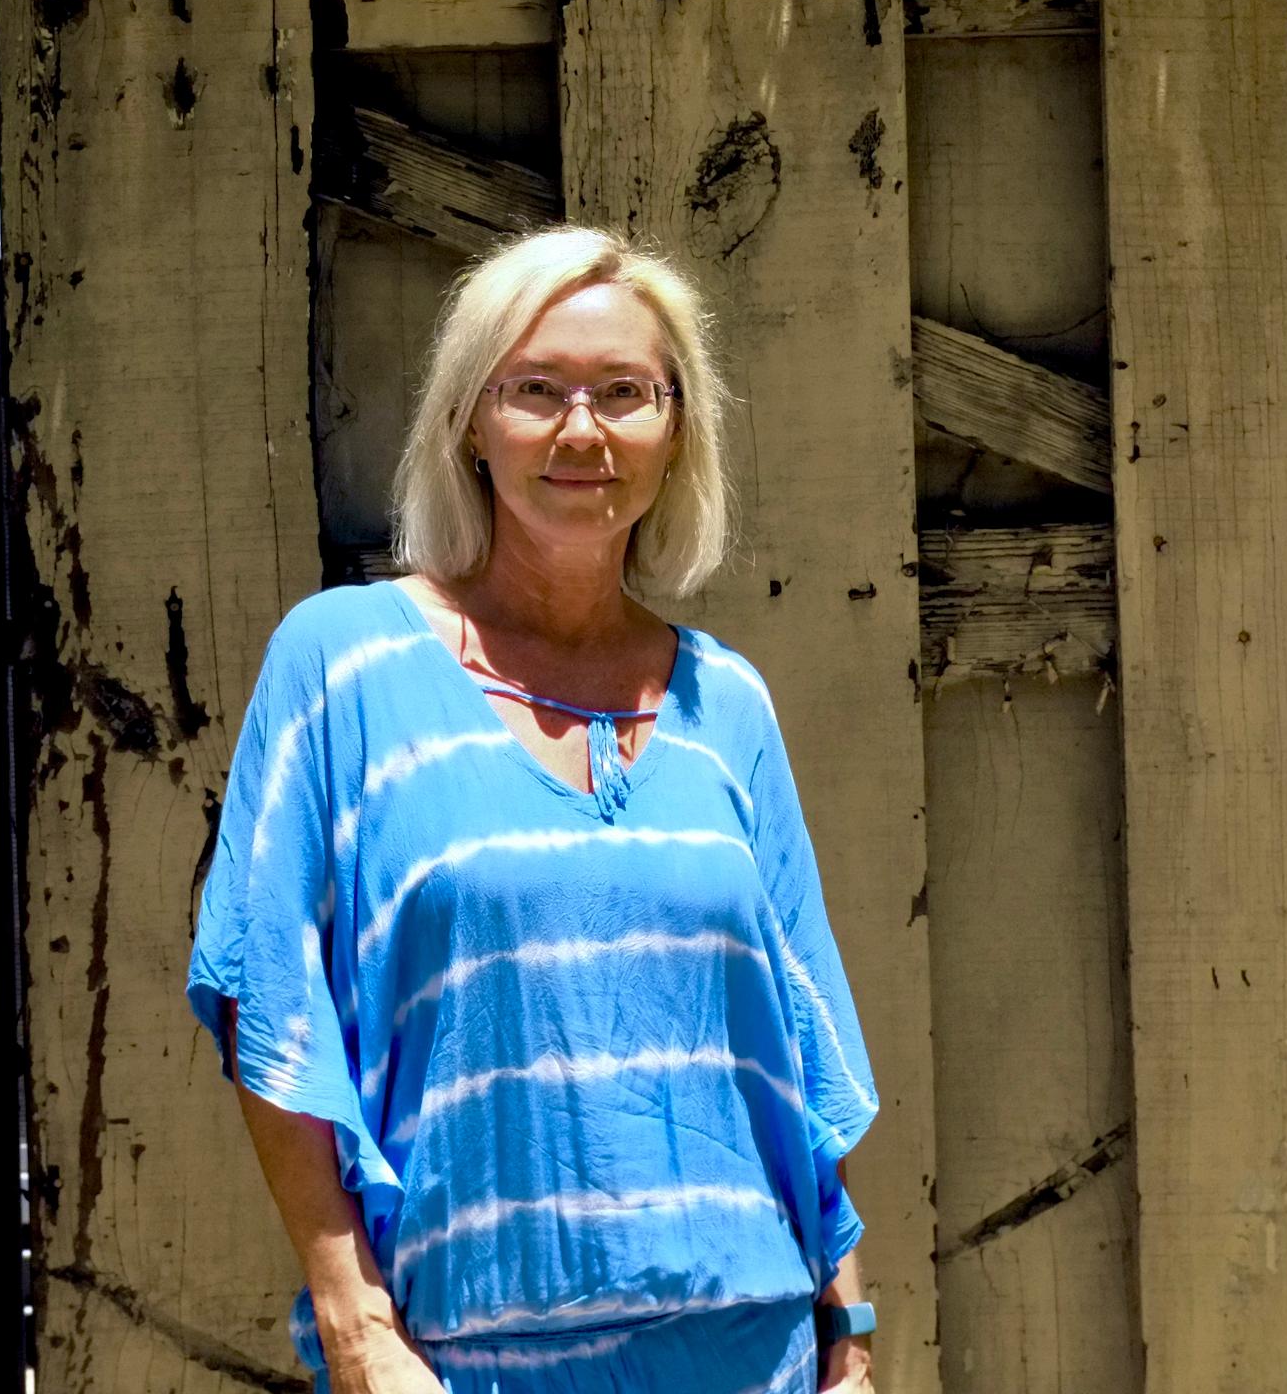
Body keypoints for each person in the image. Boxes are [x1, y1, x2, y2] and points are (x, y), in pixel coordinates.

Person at [186, 223, 883, 1394]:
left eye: (625, 393)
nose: (582, 430)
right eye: (536, 390)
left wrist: (849, 1344)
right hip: (462, 1353)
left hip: (751, 1349)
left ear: (676, 430)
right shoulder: (343, 664)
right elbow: (269, 993)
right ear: (470, 422)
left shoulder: (728, 703)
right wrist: (355, 1325)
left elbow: (797, 1047)